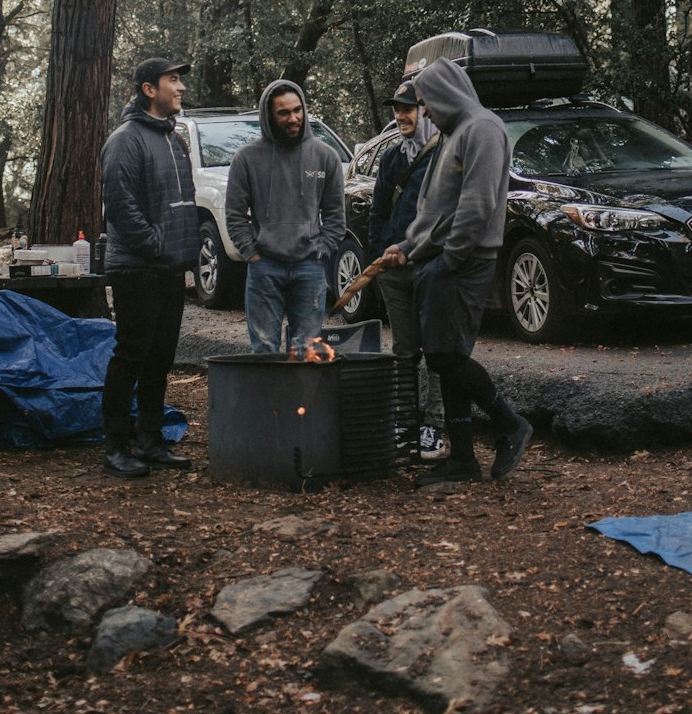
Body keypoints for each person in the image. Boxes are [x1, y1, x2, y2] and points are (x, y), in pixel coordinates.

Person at [380, 57, 532, 485]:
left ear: (446, 92)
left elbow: (476, 205)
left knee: (447, 356)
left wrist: (450, 259)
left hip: (462, 262)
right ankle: (463, 457)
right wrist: (409, 246)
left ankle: (510, 423)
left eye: (427, 102)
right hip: (437, 259)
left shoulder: (482, 128)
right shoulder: (454, 135)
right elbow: (437, 209)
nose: (424, 111)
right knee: (445, 357)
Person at [99, 56, 199, 478]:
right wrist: (157, 245)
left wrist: (180, 252)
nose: (180, 88)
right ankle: (117, 446)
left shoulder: (173, 139)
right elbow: (121, 207)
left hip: (169, 268)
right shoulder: (126, 139)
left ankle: (152, 441)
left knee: (160, 359)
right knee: (130, 357)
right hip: (137, 269)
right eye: (172, 81)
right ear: (148, 90)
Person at [225, 79, 346, 355]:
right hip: (264, 267)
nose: (293, 118)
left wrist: (322, 251)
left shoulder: (325, 157)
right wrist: (251, 253)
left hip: (309, 267)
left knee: (306, 351)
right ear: (269, 116)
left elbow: (336, 215)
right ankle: (269, 401)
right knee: (264, 350)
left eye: (297, 110)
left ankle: (301, 400)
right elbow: (234, 214)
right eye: (284, 113)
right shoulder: (246, 158)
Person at [368, 79, 447, 461]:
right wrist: (377, 257)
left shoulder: (444, 155)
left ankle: (434, 425)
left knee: (435, 348)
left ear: (426, 109)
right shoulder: (391, 158)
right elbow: (378, 209)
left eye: (409, 107)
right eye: (397, 108)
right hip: (393, 271)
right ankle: (404, 422)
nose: (401, 115)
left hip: (431, 268)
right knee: (403, 350)